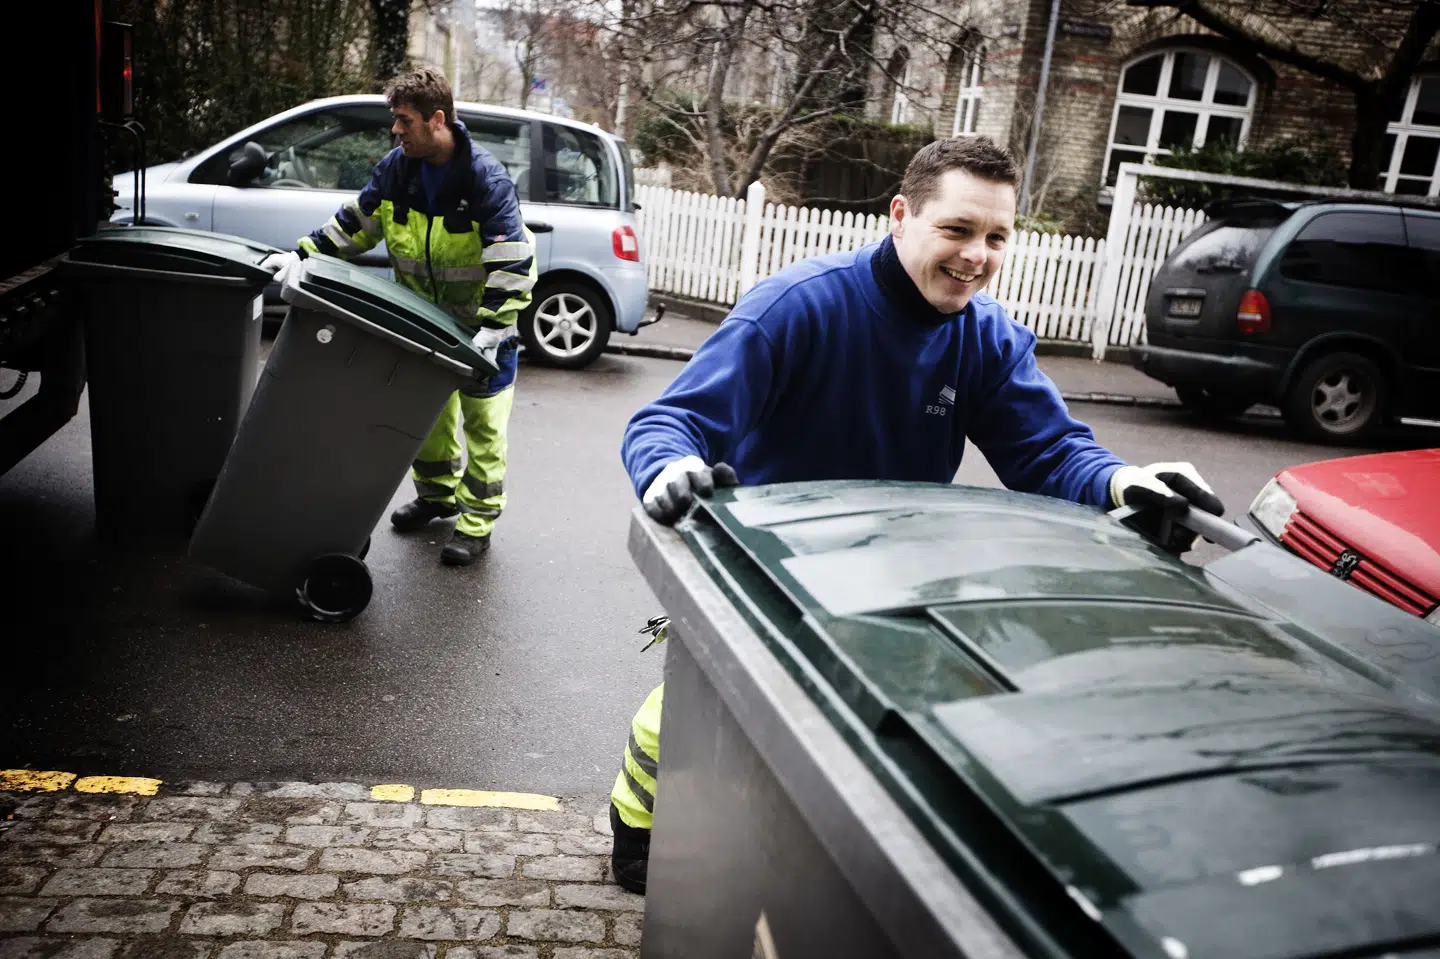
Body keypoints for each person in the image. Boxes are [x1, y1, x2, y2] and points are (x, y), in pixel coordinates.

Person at [606, 136, 1224, 894]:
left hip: (893, 581)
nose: (978, 256)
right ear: (900, 216)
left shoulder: (986, 340)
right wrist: (671, 469)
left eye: (997, 236)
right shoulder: (799, 307)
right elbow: (667, 422)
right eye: (958, 230)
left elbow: (1052, 452)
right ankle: (637, 826)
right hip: (766, 570)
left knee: (854, 741)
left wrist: (1129, 482)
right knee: (691, 712)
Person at [261, 68, 536, 566]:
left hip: (482, 334)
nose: (396, 130)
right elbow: (355, 225)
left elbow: (512, 259)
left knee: (484, 431)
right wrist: (303, 256)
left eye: (404, 120)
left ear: (436, 120)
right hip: (423, 327)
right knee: (425, 421)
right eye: (394, 120)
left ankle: (476, 523)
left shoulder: (483, 180)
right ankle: (437, 499)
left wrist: (496, 325)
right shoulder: (397, 170)